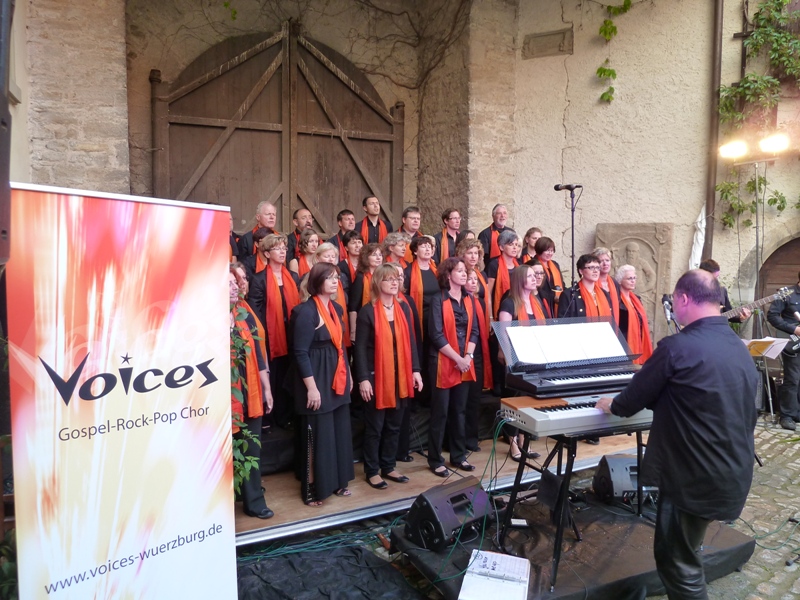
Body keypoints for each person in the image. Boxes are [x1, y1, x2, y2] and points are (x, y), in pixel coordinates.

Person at [597, 269, 758, 599]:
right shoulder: (737, 346)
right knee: (687, 550)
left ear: (683, 299)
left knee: (677, 564)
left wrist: (608, 403)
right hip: (730, 470)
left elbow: (629, 402)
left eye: (674, 300)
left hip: (693, 477)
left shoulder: (677, 347)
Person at [290, 262, 355, 506]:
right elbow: (300, 353)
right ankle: (312, 489)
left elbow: (340, 346)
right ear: (317, 282)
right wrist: (312, 388)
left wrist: (348, 374)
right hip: (316, 377)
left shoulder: (336, 308)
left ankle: (336, 482)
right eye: (329, 278)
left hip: (336, 375)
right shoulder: (305, 312)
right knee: (317, 434)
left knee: (338, 430)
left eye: (336, 277)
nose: (335, 281)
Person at [354, 264, 423, 489]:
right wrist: (363, 378)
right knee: (375, 427)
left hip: (400, 376)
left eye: (396, 279)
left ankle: (389, 465)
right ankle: (372, 470)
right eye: (389, 279)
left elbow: (411, 342)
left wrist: (415, 370)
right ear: (377, 282)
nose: (395, 283)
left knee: (394, 425)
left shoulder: (403, 308)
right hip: (376, 376)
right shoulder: (367, 311)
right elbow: (360, 348)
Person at [427, 257, 480, 477]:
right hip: (443, 361)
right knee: (440, 413)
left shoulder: (469, 298)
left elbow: (474, 330)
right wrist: (458, 358)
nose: (464, 274)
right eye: (459, 271)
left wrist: (468, 356)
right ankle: (435, 459)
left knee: (459, 411)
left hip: (464, 362)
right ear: (448, 275)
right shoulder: (437, 299)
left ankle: (458, 455)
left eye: (465, 271)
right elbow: (436, 335)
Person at [229, 268, 274, 519]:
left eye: (235, 283)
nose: (235, 287)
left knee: (251, 449)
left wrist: (267, 388)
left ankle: (254, 501)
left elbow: (258, 353)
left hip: (251, 390)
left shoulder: (244, 315)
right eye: (228, 284)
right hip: (225, 395)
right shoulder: (207, 319)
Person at [248, 233, 301, 429]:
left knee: (289, 375)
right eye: (277, 248)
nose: (282, 251)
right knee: (274, 377)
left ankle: (286, 415)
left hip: (291, 335)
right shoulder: (259, 279)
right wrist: (264, 337)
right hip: (270, 338)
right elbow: (255, 313)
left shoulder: (293, 277)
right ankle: (270, 418)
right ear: (267, 253)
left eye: (284, 248)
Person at [497, 264, 549, 461]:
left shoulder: (536, 301)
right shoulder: (509, 303)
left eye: (535, 275)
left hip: (535, 359)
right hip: (516, 360)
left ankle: (524, 442)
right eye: (529, 276)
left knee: (529, 402)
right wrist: (509, 359)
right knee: (514, 402)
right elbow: (503, 333)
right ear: (520, 280)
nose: (535, 278)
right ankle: (512, 444)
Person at [767, 271, 800, 431]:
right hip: (792, 342)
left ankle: (797, 413)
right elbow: (772, 316)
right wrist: (794, 329)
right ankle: (787, 415)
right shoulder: (786, 293)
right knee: (792, 378)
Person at [558, 254, 614, 321]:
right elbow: (563, 322)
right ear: (581, 271)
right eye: (591, 267)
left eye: (598, 268)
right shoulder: (569, 294)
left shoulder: (604, 294)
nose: (595, 271)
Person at [615, 265, 653, 364]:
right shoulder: (616, 300)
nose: (633, 281)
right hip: (623, 342)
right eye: (629, 278)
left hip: (638, 341)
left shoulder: (636, 299)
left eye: (634, 278)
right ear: (620, 281)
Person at [404, 236, 439, 339]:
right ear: (415, 251)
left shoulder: (437, 270)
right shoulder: (408, 272)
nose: (427, 249)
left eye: (429, 247)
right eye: (423, 246)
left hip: (437, 315)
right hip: (420, 316)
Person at [348, 243, 384, 343]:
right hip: (365, 320)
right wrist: (353, 331)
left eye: (380, 255)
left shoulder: (385, 276)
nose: (378, 258)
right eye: (374, 255)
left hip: (383, 319)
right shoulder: (360, 277)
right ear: (366, 258)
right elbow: (353, 307)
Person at [698, 258, 752, 323]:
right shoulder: (692, 292)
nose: (715, 280)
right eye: (712, 278)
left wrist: (741, 318)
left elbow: (728, 313)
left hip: (717, 328)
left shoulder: (722, 291)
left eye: (717, 277)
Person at [486, 229, 521, 320]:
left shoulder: (519, 265)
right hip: (500, 308)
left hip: (518, 309)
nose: (515, 248)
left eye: (516, 245)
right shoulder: (494, 264)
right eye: (511, 244)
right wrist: (490, 317)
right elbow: (488, 292)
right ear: (501, 247)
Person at [530, 236, 564, 312]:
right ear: (540, 249)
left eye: (552, 251)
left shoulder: (555, 264)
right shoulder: (533, 264)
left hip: (557, 303)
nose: (550, 253)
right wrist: (552, 297)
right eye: (548, 250)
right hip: (541, 301)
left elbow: (562, 284)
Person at [593, 247, 621, 324]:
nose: (605, 264)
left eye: (607, 260)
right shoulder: (591, 282)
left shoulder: (614, 283)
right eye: (601, 261)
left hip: (613, 323)